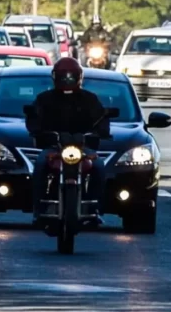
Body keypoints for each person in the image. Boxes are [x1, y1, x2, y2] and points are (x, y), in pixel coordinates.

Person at [25, 58, 109, 222]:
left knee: (99, 167)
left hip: (82, 148)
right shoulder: (44, 99)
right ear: (55, 77)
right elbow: (33, 119)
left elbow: (101, 119)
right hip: (54, 147)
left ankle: (95, 207)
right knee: (40, 165)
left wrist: (99, 133)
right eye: (63, 76)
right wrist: (41, 133)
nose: (67, 80)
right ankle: (38, 208)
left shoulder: (90, 99)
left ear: (79, 77)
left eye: (71, 76)